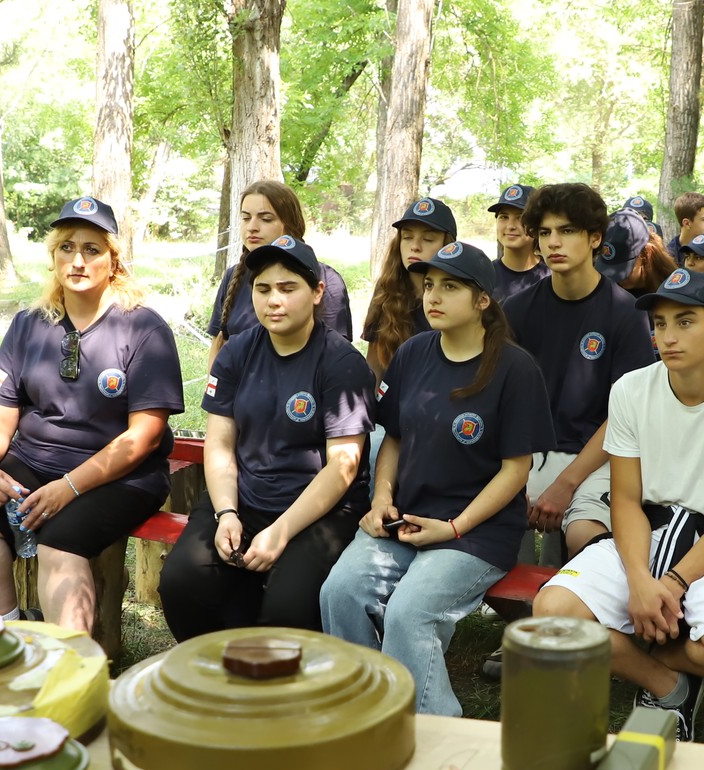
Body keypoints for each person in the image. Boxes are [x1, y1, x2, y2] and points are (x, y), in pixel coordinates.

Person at [533, 269, 704, 741]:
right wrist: (638, 582)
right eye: (660, 323)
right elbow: (626, 499)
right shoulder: (631, 389)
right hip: (643, 533)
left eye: (685, 321)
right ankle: (667, 683)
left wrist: (669, 584)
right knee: (550, 611)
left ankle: (656, 649)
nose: (668, 336)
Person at [320, 242, 553, 715]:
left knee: (410, 612)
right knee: (339, 592)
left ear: (483, 300)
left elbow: (516, 471)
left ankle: (435, 730)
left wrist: (453, 528)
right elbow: (394, 438)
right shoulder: (413, 353)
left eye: (450, 287)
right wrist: (381, 497)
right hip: (405, 518)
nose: (433, 296)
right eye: (429, 285)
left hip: (475, 533)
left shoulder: (515, 369)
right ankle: (363, 710)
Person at [0, 197, 182, 632]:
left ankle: (71, 664)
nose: (77, 260)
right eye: (66, 248)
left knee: (59, 544)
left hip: (120, 477)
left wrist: (69, 487)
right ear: (53, 257)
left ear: (113, 261)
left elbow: (144, 436)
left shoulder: (143, 329)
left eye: (92, 249)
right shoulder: (29, 324)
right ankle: (11, 632)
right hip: (36, 462)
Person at [159, 237, 372, 639]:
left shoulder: (342, 363)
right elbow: (220, 444)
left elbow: (342, 468)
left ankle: (282, 672)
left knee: (287, 610)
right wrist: (226, 513)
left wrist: (282, 530)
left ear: (317, 292)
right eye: (263, 289)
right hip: (246, 498)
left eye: (288, 288)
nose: (274, 300)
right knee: (182, 582)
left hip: (319, 511)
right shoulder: (236, 353)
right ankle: (219, 668)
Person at [503, 183, 658, 562]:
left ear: (595, 238)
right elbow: (501, 403)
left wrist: (565, 484)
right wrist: (512, 473)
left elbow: (624, 418)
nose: (553, 242)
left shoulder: (626, 314)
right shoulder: (516, 310)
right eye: (544, 233)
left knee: (587, 541)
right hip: (526, 456)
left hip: (595, 460)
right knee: (499, 536)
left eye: (567, 230)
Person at [205, 180, 352, 361]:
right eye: (246, 218)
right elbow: (218, 346)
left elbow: (337, 355)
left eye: (266, 219)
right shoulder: (234, 276)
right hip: (238, 379)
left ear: (290, 223)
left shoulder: (326, 279)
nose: (252, 227)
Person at [363, 197, 456, 377]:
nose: (415, 246)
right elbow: (374, 366)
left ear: (448, 247)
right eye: (407, 237)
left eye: (428, 239)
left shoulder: (462, 294)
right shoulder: (386, 289)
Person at [488, 182, 545, 305]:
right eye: (504, 217)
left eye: (520, 217)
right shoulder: (484, 275)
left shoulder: (552, 275)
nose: (510, 226)